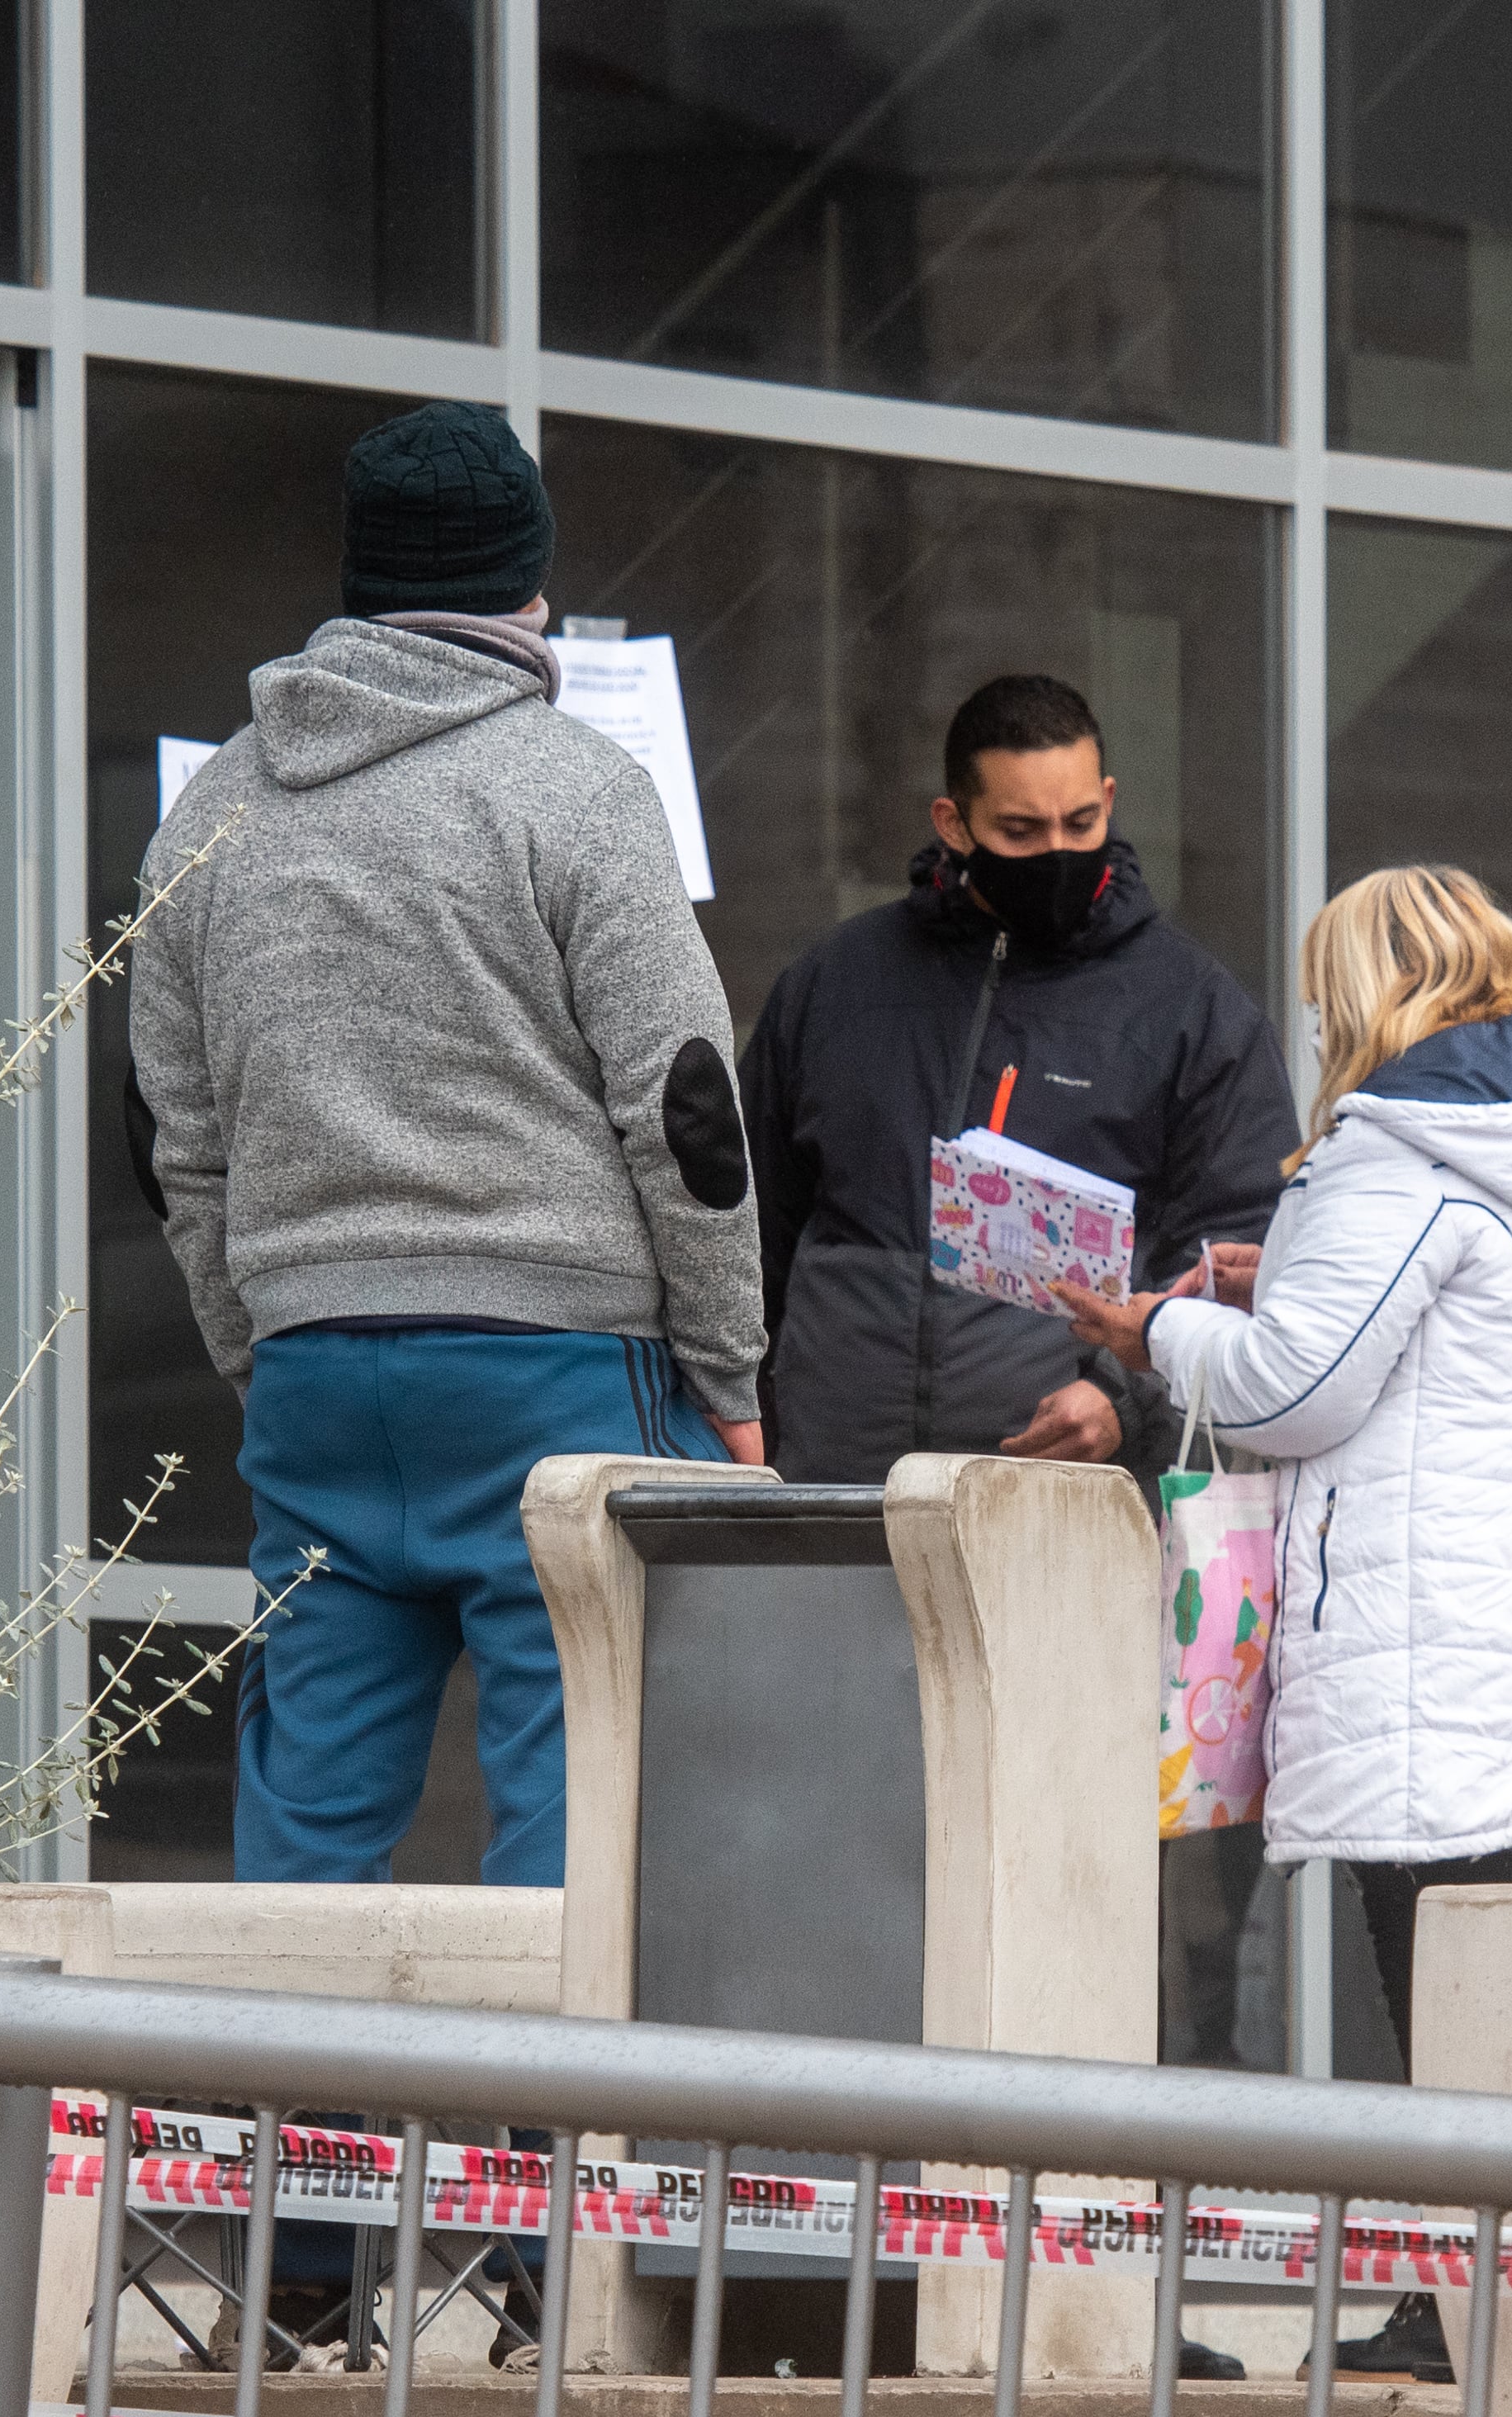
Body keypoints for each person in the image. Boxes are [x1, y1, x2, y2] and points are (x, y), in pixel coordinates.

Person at [130, 400, 767, 1893]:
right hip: (553, 1366)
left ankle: (283, 2117)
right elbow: (686, 1109)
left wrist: (262, 1342)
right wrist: (730, 1370)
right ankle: (539, 2128)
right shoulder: (580, 791)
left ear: (360, 577)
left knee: (311, 1804)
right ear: (528, 587)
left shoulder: (210, 813)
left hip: (314, 1371)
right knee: (576, 1788)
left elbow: (179, 1137)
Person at [1062, 865, 1512, 2388]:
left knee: (1445, 2010)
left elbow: (1289, 1391)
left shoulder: (1391, 1146)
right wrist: (1288, 1286)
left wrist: (1154, 1327)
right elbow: (1448, 1315)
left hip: (1428, 1644)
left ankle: (1455, 2318)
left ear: (1361, 994)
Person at [736, 674, 1299, 1483]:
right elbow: (754, 1229)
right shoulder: (836, 985)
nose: (1058, 854)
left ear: (1109, 798)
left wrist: (1121, 1396)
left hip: (1063, 1505)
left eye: (1081, 822)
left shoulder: (1193, 1012)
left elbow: (1235, 1248)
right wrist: (746, 1405)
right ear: (952, 824)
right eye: (1020, 831)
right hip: (839, 1486)